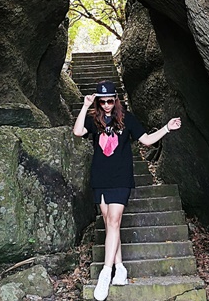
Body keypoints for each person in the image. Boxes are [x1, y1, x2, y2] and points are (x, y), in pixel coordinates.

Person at [73, 80, 182, 301]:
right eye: (102, 101)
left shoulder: (127, 119)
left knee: (113, 221)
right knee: (109, 223)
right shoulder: (94, 119)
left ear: (116, 99)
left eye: (109, 100)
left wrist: (166, 128)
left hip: (121, 178)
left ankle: (106, 272)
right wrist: (85, 106)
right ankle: (120, 267)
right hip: (100, 178)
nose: (106, 105)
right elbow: (77, 132)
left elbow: (147, 141)